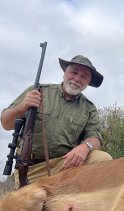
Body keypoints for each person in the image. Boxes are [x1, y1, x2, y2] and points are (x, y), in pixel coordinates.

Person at [1, 55, 112, 187]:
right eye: (74, 72)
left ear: (88, 82)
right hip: (32, 167)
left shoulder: (89, 108)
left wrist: (85, 147)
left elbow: (95, 138)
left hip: (66, 165)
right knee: (28, 205)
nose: (77, 79)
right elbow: (6, 123)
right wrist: (22, 106)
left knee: (103, 159)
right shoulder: (37, 91)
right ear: (65, 72)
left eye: (84, 76)